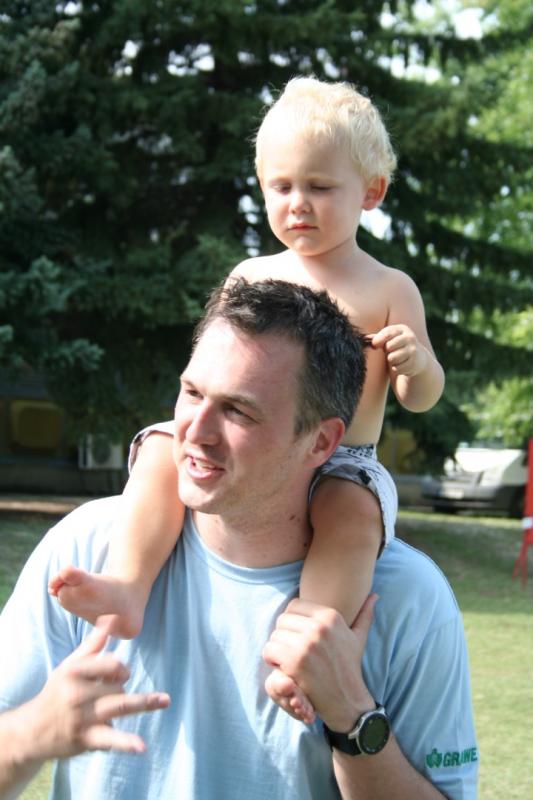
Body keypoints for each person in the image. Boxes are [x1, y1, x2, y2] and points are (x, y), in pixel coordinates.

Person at [48, 75, 445, 722]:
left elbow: (419, 398)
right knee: (161, 453)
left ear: (371, 192)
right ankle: (127, 583)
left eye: (320, 187)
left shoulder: (388, 286)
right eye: (280, 187)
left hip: (343, 460)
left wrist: (416, 364)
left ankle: (304, 653)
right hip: (247, 442)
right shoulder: (252, 274)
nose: (298, 204)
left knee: (351, 520)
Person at [0, 280, 476, 799]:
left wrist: (353, 718)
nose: (194, 431)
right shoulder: (87, 551)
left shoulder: (407, 599)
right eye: (192, 393)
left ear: (321, 441)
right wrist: (31, 734)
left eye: (238, 411)